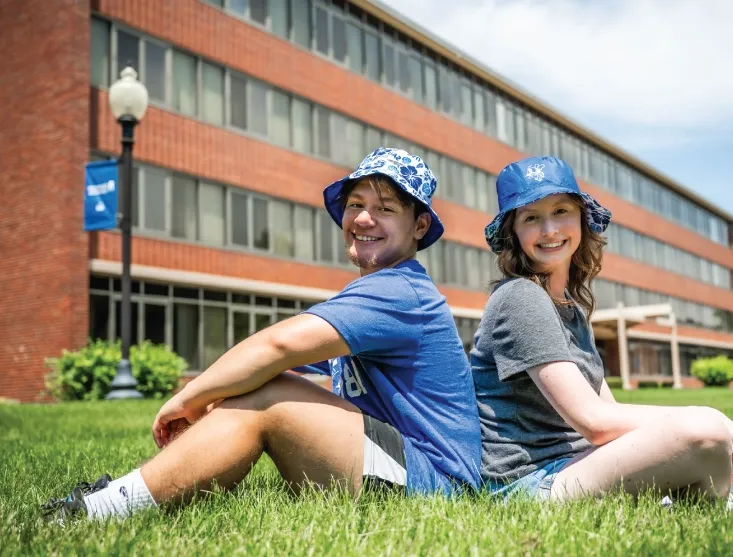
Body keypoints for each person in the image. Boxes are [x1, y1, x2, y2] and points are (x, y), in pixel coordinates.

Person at [42, 148, 481, 522]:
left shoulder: (400, 290)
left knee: (267, 395)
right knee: (251, 381)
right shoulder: (379, 291)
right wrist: (222, 390)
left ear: (419, 226)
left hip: (435, 485)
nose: (363, 218)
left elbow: (277, 346)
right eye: (354, 205)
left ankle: (102, 509)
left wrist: (188, 396)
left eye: (386, 208)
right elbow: (267, 361)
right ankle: (118, 497)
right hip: (399, 467)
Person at [471, 155, 733, 504]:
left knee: (699, 435)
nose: (549, 230)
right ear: (513, 233)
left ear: (581, 218)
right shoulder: (521, 298)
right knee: (701, 430)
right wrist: (710, 420)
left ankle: (708, 497)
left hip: (576, 465)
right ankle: (715, 498)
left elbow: (610, 412)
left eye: (561, 211)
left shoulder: (570, 309)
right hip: (529, 484)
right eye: (531, 218)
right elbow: (595, 422)